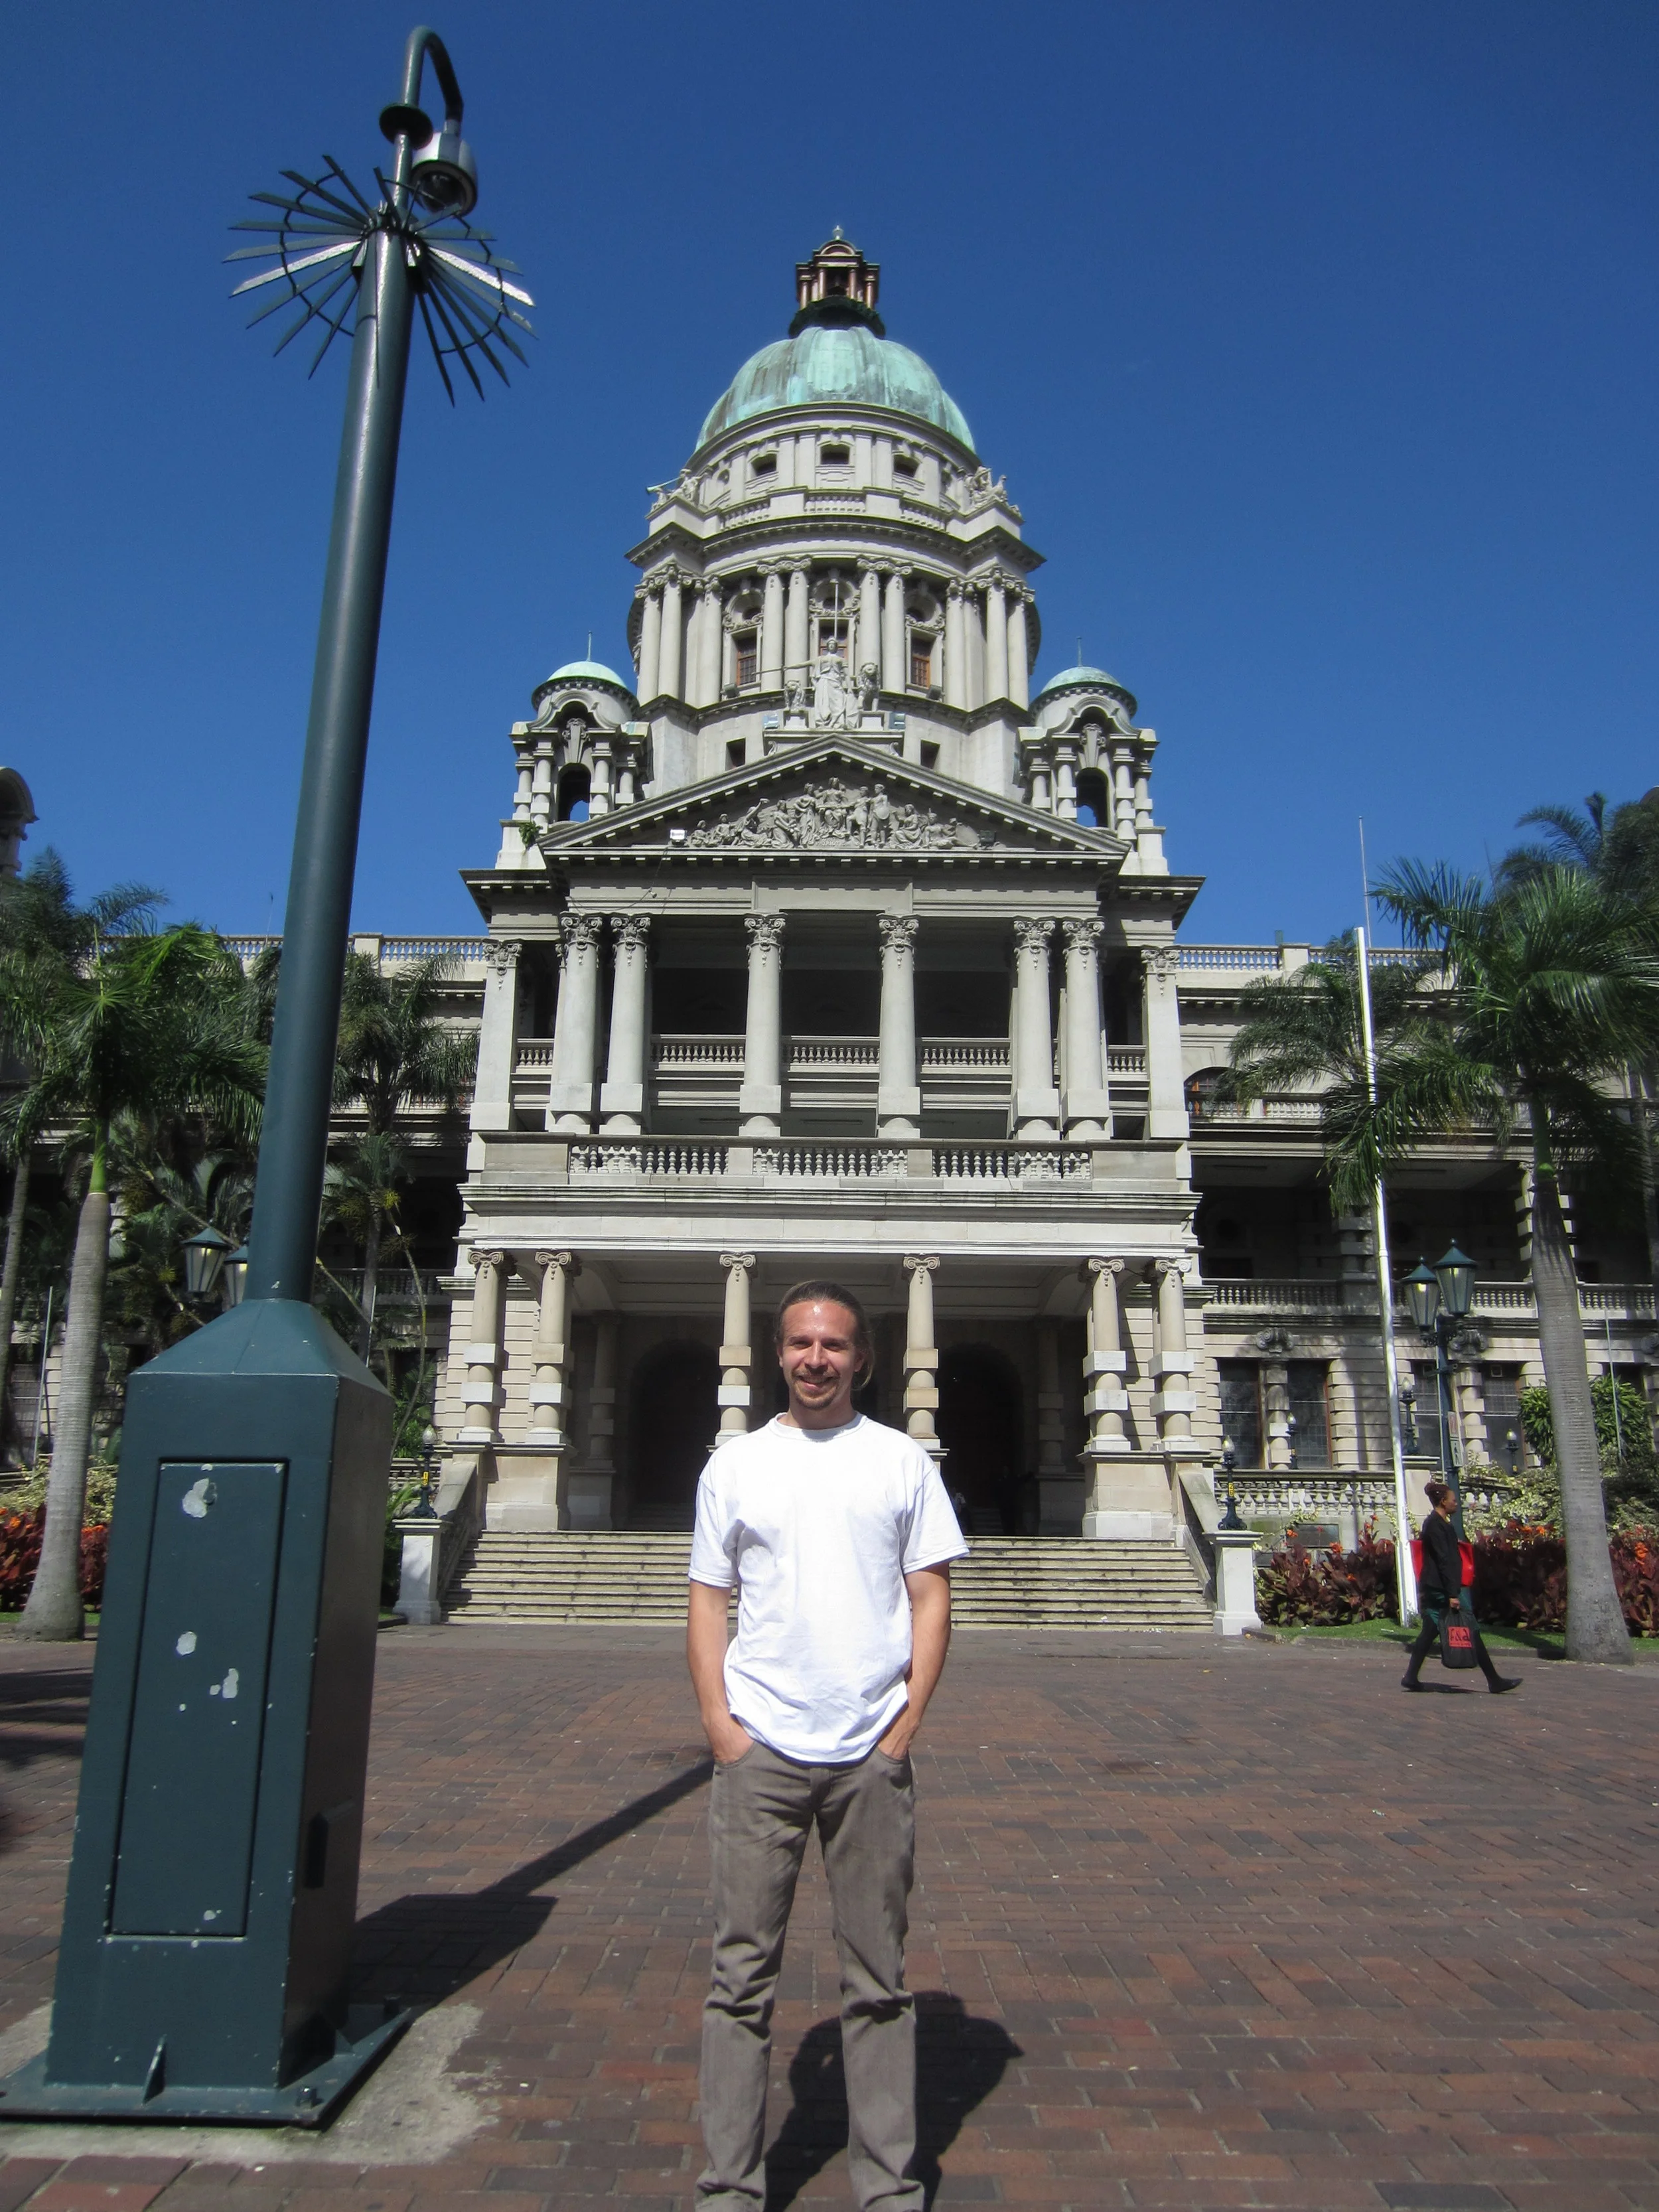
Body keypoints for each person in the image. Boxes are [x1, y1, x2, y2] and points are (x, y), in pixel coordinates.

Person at [687, 1278, 967, 2212]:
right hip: (760, 1745)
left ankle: (888, 2184)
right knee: (739, 1980)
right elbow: (707, 1599)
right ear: (778, 1352)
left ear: (864, 1359)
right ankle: (730, 2184)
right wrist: (722, 1727)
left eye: (835, 1345)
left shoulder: (899, 1462)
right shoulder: (735, 1464)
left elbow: (932, 1594)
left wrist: (906, 1723)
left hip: (867, 1752)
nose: (817, 1359)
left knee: (879, 1981)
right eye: (802, 1343)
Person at [1401, 1479, 1520, 1693]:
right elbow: (1444, 1560)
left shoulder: (1442, 1523)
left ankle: (1411, 1677)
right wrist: (1453, 1593)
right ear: (1442, 1502)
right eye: (1453, 1500)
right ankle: (1494, 1680)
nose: (1456, 1503)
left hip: (1439, 1586)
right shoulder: (1435, 1525)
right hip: (1442, 1588)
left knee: (1429, 1631)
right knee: (1470, 1627)